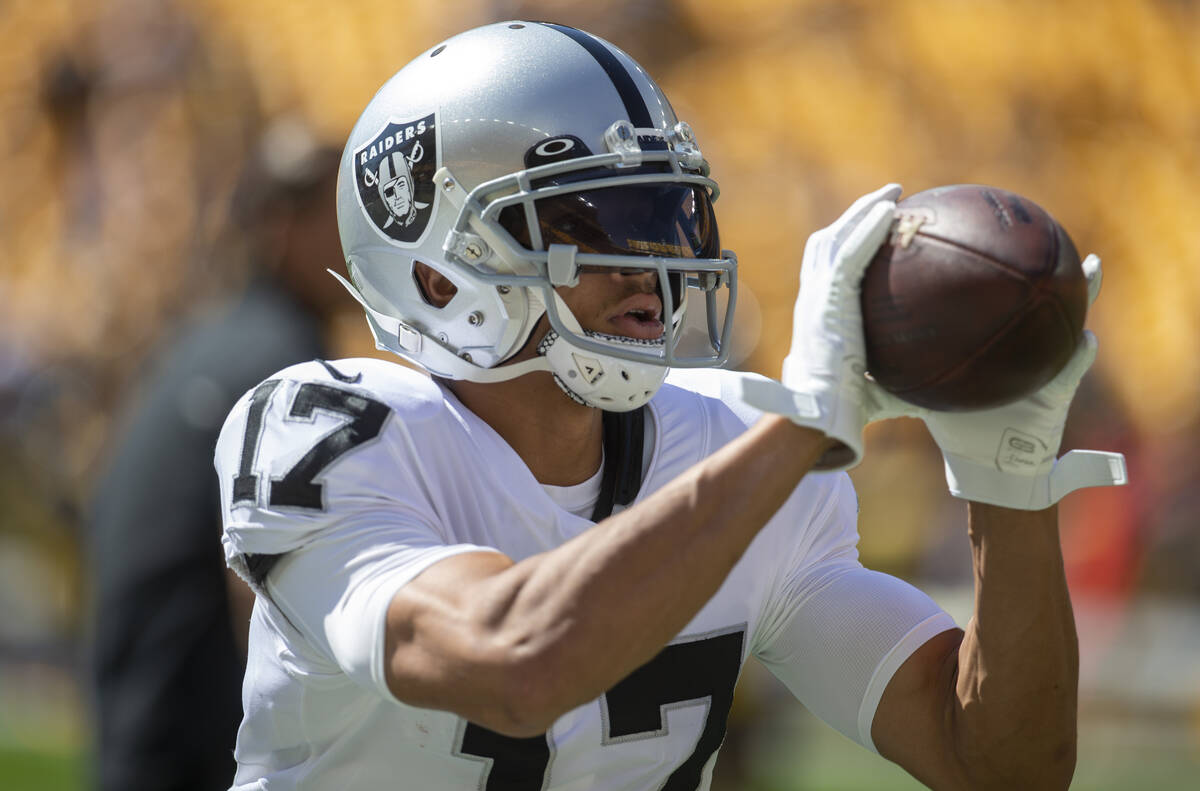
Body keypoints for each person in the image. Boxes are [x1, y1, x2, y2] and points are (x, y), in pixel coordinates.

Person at [213, 21, 1127, 790]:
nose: (651, 267)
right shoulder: (332, 428)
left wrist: (1006, 490)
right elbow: (518, 664)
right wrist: (799, 425)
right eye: (595, 224)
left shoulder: (724, 439)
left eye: (669, 216)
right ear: (435, 270)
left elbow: (997, 765)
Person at [88, 119, 342, 791]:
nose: (359, 237)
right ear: (280, 227)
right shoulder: (283, 364)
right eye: (336, 213)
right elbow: (265, 581)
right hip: (194, 738)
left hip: (142, 718)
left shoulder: (213, 341)